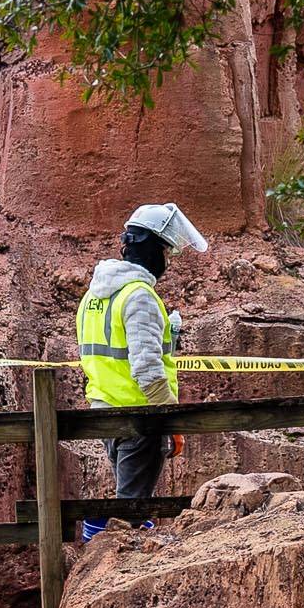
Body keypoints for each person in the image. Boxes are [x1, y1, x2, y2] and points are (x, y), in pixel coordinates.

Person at [76, 202, 210, 525]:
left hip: (106, 414)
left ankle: (107, 549)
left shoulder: (94, 296)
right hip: (140, 419)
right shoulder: (140, 297)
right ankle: (109, 565)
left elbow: (112, 353)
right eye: (166, 251)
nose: (167, 260)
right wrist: (171, 423)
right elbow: (147, 371)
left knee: (130, 502)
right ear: (152, 248)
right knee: (130, 516)